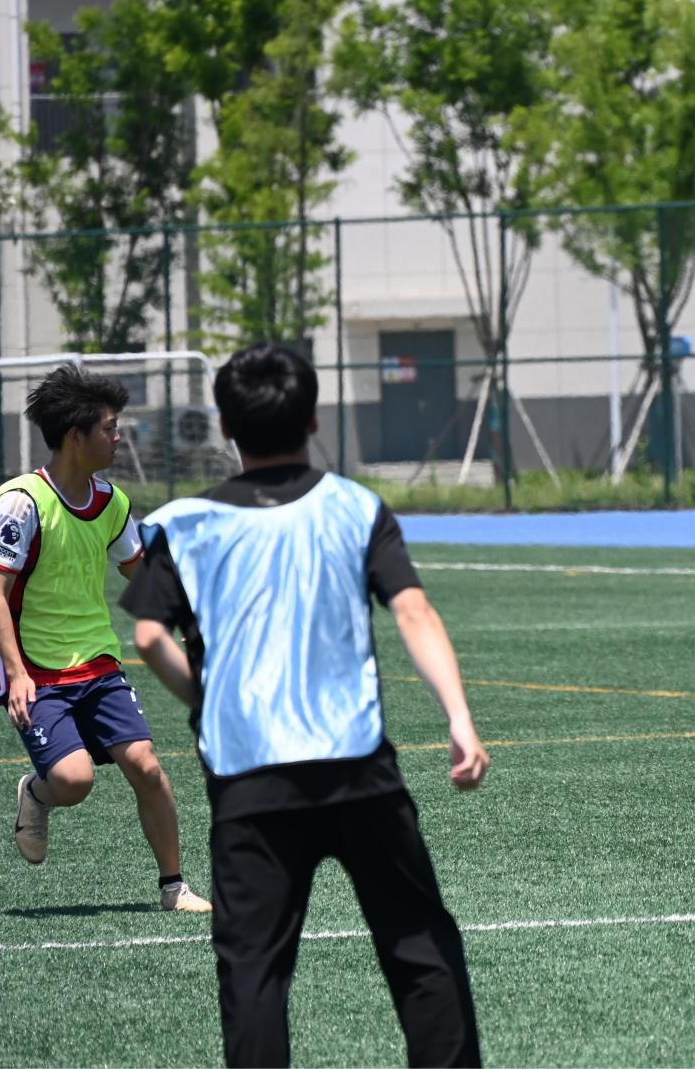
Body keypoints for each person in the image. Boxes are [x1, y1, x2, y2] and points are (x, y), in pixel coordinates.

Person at [121, 344, 489, 1066]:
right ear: (315, 419)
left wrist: (206, 700)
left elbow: (148, 635)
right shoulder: (355, 506)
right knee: (418, 943)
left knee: (254, 968)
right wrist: (459, 716)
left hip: (249, 774)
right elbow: (413, 611)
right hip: (357, 768)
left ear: (226, 425)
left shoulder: (185, 522)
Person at [1, 365, 211, 913]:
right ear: (76, 436)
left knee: (146, 765)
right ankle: (36, 792)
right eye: (110, 428)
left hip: (98, 662)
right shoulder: (21, 503)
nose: (119, 437)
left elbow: (141, 575)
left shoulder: (112, 502)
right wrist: (16, 674)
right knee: (74, 781)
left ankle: (174, 888)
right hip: (36, 670)